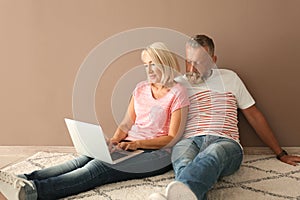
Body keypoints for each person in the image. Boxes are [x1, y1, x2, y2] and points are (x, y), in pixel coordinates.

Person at [0, 42, 190, 200]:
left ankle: (32, 192)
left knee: (99, 167)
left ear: (165, 64)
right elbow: (126, 124)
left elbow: (172, 137)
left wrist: (136, 144)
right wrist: (115, 141)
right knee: (82, 159)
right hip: (129, 145)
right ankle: (20, 179)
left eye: (153, 64)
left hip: (157, 155)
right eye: (145, 65)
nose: (148, 70)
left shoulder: (178, 92)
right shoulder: (140, 88)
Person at [149, 35, 300, 200]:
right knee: (183, 162)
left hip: (224, 141)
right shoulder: (176, 84)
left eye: (198, 63)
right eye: (188, 61)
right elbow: (157, 117)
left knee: (214, 152)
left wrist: (280, 153)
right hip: (189, 141)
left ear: (213, 60)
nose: (191, 69)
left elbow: (254, 116)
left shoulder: (230, 79)